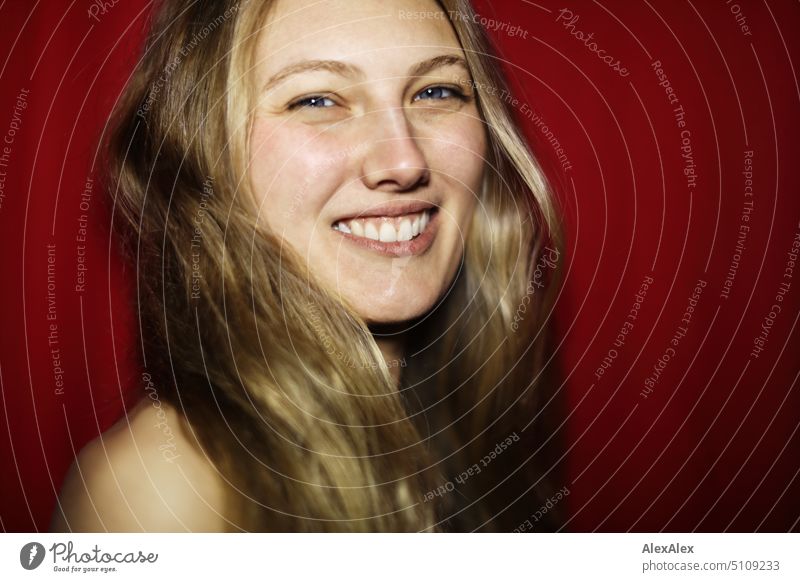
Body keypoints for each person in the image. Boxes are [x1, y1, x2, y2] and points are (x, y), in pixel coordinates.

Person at [51, 0, 563, 533]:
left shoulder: (468, 430)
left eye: (436, 91)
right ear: (201, 154)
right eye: (317, 100)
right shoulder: (164, 488)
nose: (405, 161)